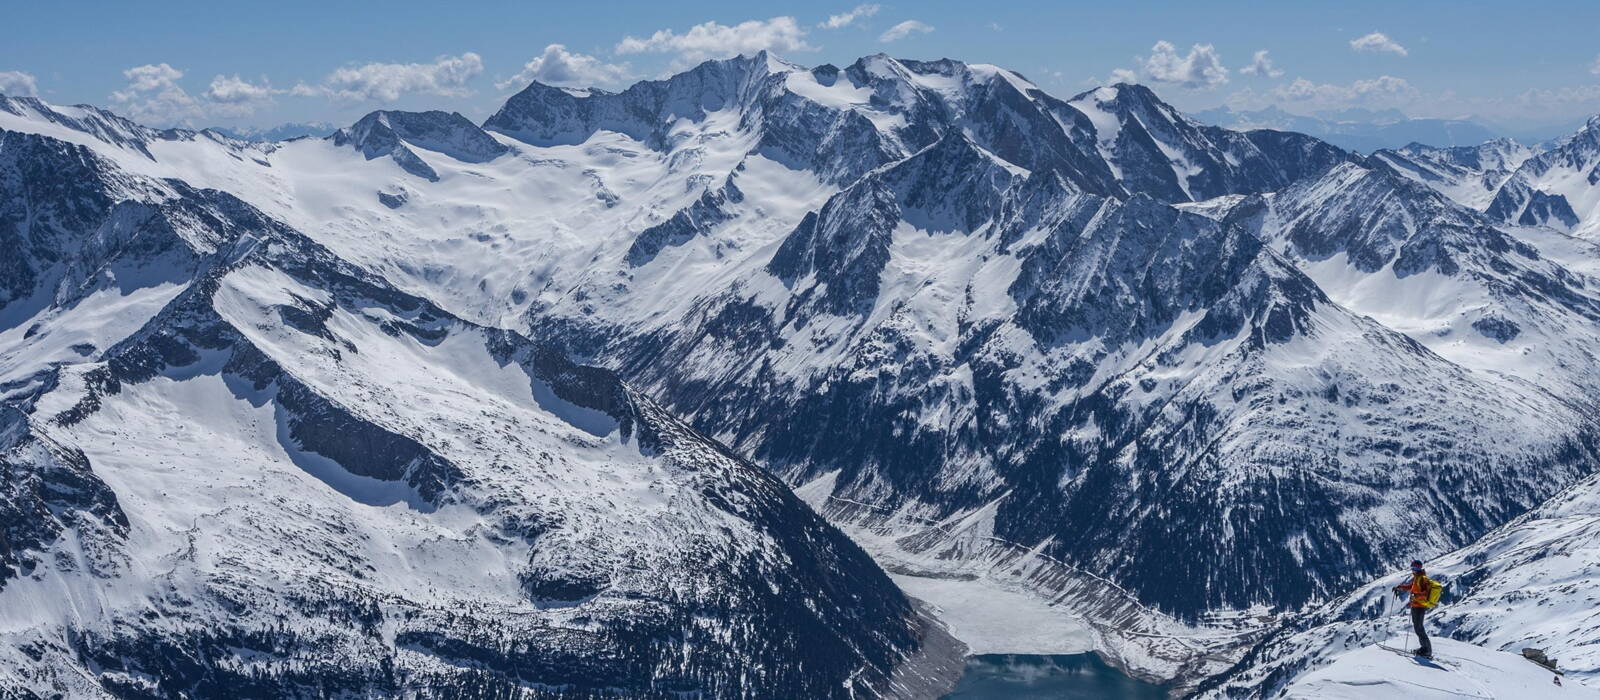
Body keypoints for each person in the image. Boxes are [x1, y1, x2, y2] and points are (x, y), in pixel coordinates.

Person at [1392, 560, 1439, 658]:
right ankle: (1424, 648)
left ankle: (1427, 651)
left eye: (1415, 568)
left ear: (1419, 568)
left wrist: (1415, 595)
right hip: (1415, 606)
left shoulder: (1422, 579)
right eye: (1413, 568)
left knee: (1419, 628)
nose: (1413, 570)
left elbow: (1425, 594)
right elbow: (1411, 587)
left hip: (1420, 607)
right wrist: (1400, 587)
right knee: (1418, 628)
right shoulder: (1417, 578)